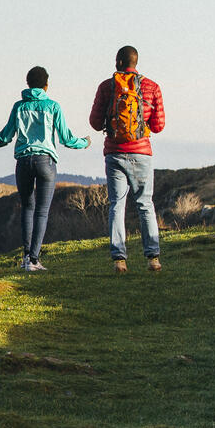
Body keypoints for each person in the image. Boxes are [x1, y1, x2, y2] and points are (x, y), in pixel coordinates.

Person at [0, 66, 89, 271]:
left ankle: (25, 258)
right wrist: (84, 142)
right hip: (45, 161)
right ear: (46, 85)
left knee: (27, 208)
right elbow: (67, 139)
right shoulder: (53, 106)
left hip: (23, 161)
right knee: (41, 211)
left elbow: (5, 136)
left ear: (27, 84)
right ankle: (34, 259)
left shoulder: (19, 107)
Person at [90, 45, 166, 274]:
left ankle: (119, 260)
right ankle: (153, 258)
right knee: (145, 205)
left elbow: (94, 123)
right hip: (141, 153)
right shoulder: (152, 87)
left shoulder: (106, 87)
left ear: (118, 62)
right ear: (136, 62)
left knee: (116, 206)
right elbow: (159, 126)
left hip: (114, 153)